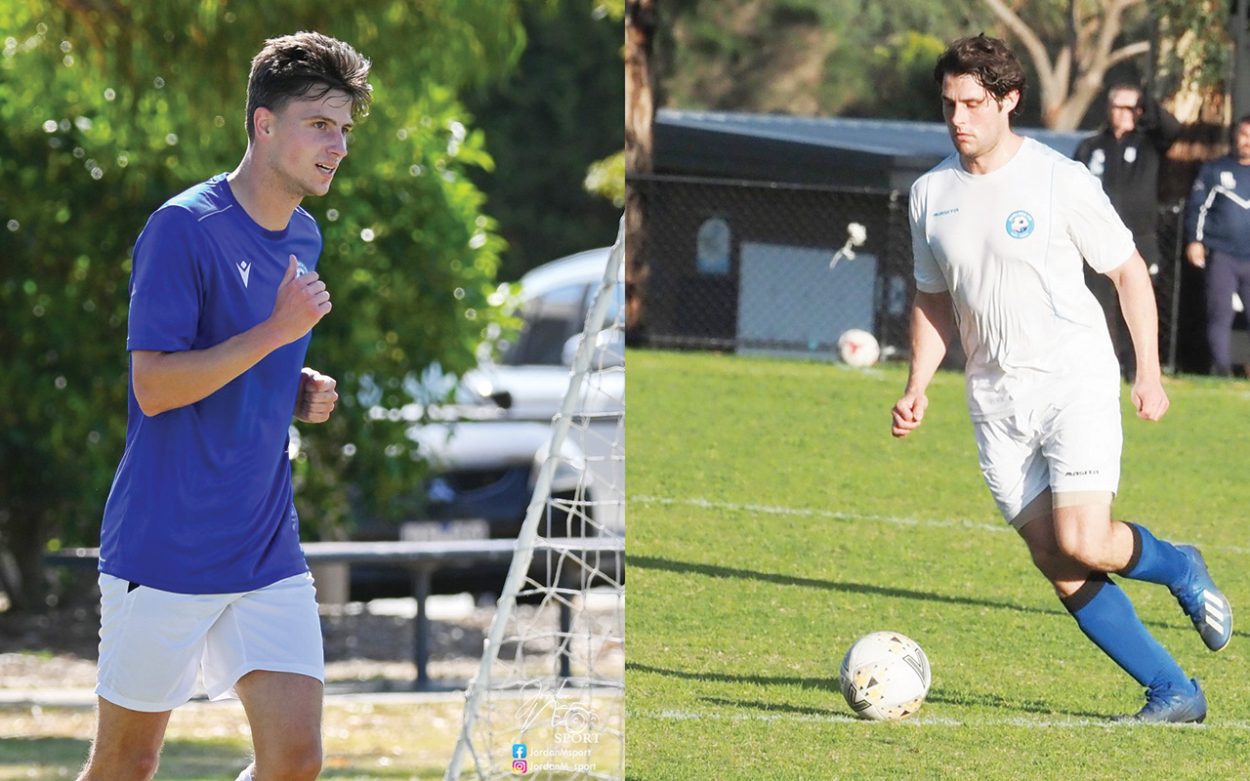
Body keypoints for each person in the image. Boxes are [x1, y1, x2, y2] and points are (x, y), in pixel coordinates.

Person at [892, 34, 1231, 723]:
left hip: (1072, 378)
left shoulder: (1058, 179)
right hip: (994, 396)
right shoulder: (930, 195)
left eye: (973, 104)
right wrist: (918, 382)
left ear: (1009, 100)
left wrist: (1148, 370)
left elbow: (1128, 271)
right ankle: (1175, 690)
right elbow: (934, 298)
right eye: (950, 104)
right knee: (1056, 557)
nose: (958, 118)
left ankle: (1178, 563)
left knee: (1083, 536)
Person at [80, 32, 371, 781]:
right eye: (319, 124)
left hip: (264, 545)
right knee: (126, 764)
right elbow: (156, 385)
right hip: (167, 545)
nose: (336, 145)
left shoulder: (304, 233)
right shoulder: (183, 227)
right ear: (264, 124)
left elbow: (250, 360)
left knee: (295, 759)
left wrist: (295, 384)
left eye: (343, 129)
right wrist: (277, 333)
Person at [1075, 83, 1181, 378]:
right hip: (1094, 241)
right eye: (1117, 107)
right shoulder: (1091, 146)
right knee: (1096, 305)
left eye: (1130, 108)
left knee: (1136, 303)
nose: (1122, 114)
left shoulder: (1149, 144)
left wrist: (1147, 99)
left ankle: (1138, 370)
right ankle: (1101, 366)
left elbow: (1172, 129)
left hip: (1139, 239)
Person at [1183, 115, 1250, 377]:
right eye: (1244, 135)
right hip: (1223, 255)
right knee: (1219, 314)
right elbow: (1198, 208)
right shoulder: (1215, 170)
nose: (1248, 142)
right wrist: (1195, 241)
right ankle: (1222, 372)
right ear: (1236, 136)